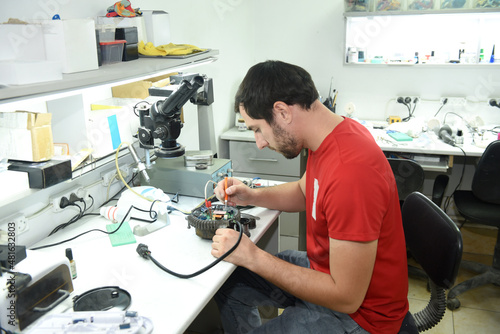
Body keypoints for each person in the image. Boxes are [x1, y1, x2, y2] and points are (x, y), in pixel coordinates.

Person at [211, 60, 409, 334]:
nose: (260, 142)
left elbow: (346, 297)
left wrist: (254, 256)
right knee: (231, 285)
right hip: (325, 271)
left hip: (361, 317)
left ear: (282, 111)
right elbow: (306, 192)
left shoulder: (351, 171)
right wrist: (251, 195)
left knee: (246, 266)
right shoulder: (330, 135)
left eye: (257, 128)